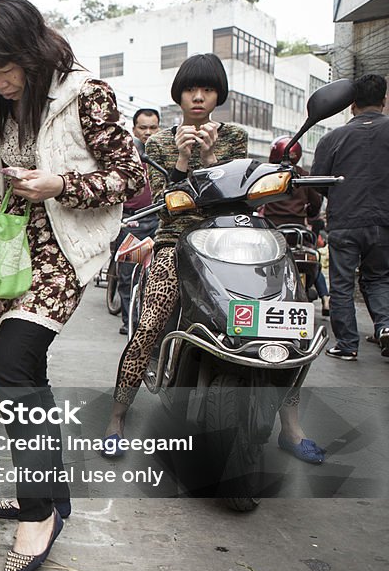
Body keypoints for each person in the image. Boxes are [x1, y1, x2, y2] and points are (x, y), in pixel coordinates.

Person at [0, 0, 144, 571]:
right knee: (28, 371)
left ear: (30, 52)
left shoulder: (84, 93)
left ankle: (39, 514)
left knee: (10, 366)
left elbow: (130, 176)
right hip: (11, 254)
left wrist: (59, 184)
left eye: (5, 69)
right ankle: (50, 494)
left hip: (65, 253)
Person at [104, 53, 326, 466]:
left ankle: (290, 426)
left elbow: (237, 189)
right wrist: (184, 160)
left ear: (218, 94)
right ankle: (116, 419)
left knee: (288, 321)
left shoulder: (234, 137)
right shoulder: (157, 142)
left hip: (233, 240)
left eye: (207, 89)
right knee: (150, 324)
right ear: (180, 94)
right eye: (191, 89)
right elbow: (165, 203)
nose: (199, 97)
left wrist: (208, 160)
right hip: (176, 241)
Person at [311, 73, 389, 361]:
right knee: (379, 277)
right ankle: (385, 326)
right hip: (384, 221)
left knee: (342, 283)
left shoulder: (333, 138)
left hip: (344, 220)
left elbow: (317, 182)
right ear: (384, 100)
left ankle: (347, 344)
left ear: (351, 104)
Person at [261, 136, 329, 316]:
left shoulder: (267, 174)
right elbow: (315, 204)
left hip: (272, 231)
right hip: (298, 231)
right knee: (312, 257)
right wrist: (310, 214)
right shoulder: (304, 175)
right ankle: (325, 297)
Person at [115, 108, 162, 335]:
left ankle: (149, 324)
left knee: (155, 277)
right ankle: (130, 323)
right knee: (129, 276)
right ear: (134, 129)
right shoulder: (126, 154)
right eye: (143, 128)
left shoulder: (164, 152)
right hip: (131, 222)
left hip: (158, 221)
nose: (148, 132)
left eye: (153, 127)